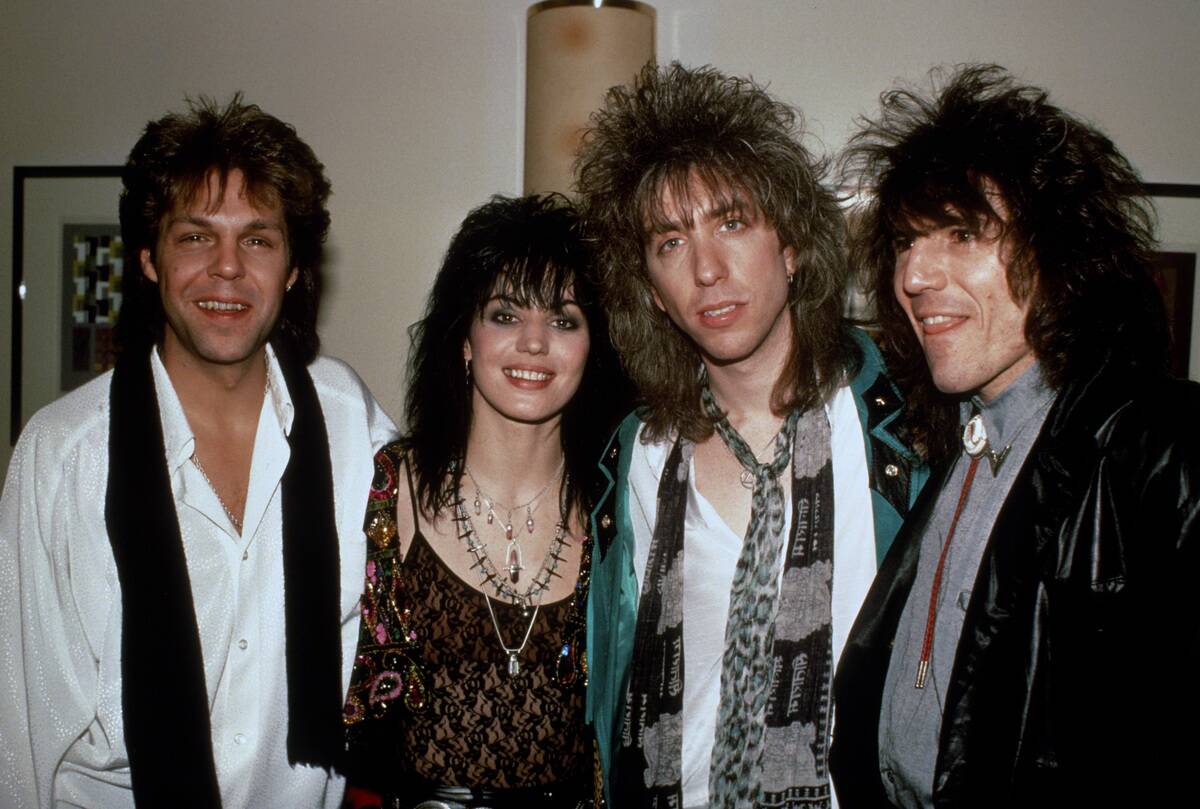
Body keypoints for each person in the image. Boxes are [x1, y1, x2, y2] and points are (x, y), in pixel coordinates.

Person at [0, 96, 395, 809]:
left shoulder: (348, 422)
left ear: (295, 267)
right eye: (195, 237)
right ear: (149, 258)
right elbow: (18, 733)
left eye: (258, 239)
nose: (226, 269)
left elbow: (463, 525)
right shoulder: (61, 456)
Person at [829, 64, 1200, 809]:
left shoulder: (1158, 446)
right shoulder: (957, 445)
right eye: (904, 241)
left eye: (963, 233)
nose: (914, 274)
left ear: (1060, 255)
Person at [574, 62, 928, 809]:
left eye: (732, 222)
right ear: (653, 294)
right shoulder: (634, 458)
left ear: (792, 246)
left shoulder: (903, 433)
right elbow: (611, 691)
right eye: (671, 242)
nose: (707, 268)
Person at [341, 194, 627, 809]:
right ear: (464, 339)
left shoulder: (621, 505)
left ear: (591, 348)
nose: (533, 343)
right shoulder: (388, 488)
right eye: (504, 315)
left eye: (564, 319)